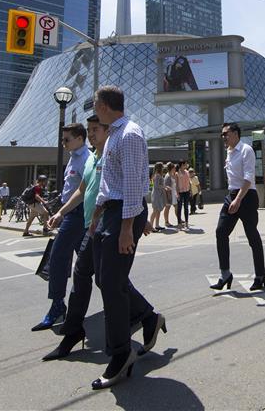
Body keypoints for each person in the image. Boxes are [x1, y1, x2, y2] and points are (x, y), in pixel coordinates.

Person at [43, 114, 167, 365]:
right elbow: (83, 190)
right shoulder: (92, 160)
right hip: (93, 225)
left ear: (107, 130)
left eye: (95, 129)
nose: (91, 134)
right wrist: (60, 212)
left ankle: (142, 324)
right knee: (85, 275)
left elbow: (128, 186)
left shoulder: (112, 154)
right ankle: (74, 330)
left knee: (108, 280)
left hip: (107, 224)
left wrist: (136, 222)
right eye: (88, 130)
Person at [82, 85, 154, 389]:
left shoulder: (130, 134)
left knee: (111, 283)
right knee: (105, 278)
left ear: (105, 105)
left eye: (96, 103)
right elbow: (108, 182)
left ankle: (121, 354)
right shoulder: (112, 134)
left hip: (124, 214)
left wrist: (128, 229)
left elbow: (133, 184)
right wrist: (96, 216)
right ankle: (148, 318)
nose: (94, 107)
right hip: (110, 213)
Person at [32, 123, 90, 332]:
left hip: (77, 215)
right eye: (62, 139)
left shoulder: (86, 159)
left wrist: (61, 213)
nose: (63, 143)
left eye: (67, 139)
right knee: (91, 263)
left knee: (57, 258)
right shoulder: (74, 157)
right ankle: (132, 304)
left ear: (80, 138)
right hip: (72, 214)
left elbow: (83, 192)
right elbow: (68, 189)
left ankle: (58, 305)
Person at [212, 123, 265, 292]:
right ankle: (225, 274)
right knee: (221, 232)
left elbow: (249, 177)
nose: (223, 137)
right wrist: (233, 199)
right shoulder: (229, 152)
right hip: (232, 195)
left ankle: (260, 274)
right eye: (222, 135)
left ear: (235, 133)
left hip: (247, 196)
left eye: (226, 134)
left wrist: (238, 200)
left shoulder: (246, 150)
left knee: (252, 235)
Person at [149, 163, 166, 231]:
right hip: (156, 195)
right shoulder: (157, 175)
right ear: (159, 168)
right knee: (155, 210)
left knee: (158, 210)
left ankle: (157, 225)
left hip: (158, 194)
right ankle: (151, 226)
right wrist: (164, 187)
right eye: (162, 167)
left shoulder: (158, 175)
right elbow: (156, 186)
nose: (163, 168)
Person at [175, 161, 191, 230]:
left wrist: (190, 190)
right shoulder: (177, 173)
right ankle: (179, 224)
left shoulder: (187, 172)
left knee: (186, 207)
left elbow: (189, 181)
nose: (186, 165)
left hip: (187, 191)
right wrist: (177, 193)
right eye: (185, 164)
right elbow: (176, 184)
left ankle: (186, 223)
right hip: (180, 192)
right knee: (179, 208)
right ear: (182, 165)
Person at [163, 163, 176, 228]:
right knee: (167, 208)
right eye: (174, 168)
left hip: (172, 194)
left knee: (172, 207)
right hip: (169, 195)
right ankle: (166, 222)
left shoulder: (172, 175)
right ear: (171, 168)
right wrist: (168, 196)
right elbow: (166, 186)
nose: (175, 169)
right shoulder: (168, 176)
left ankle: (179, 219)